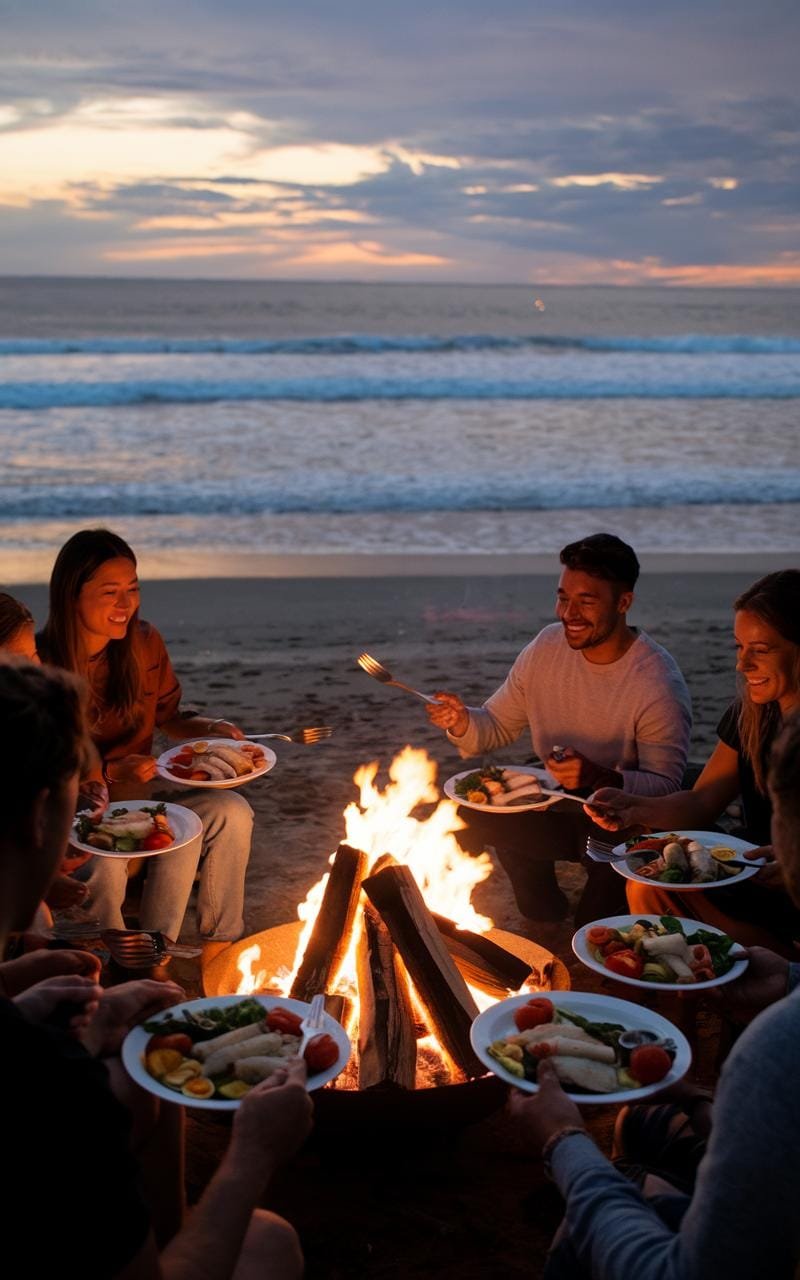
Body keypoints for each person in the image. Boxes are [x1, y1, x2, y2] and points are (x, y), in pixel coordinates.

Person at [0, 657, 313, 1279]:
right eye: (74, 798)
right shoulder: (49, 1084)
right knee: (268, 1240)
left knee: (136, 1076)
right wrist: (250, 1157)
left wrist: (17, 999)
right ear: (40, 816)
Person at [507, 710, 800, 1280]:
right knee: (642, 1124)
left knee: (608, 1202)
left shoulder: (775, 1053)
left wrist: (564, 1142)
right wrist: (791, 981)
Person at [426, 534, 691, 923]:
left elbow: (667, 787)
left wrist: (600, 776)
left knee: (591, 928)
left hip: (621, 825)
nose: (569, 613)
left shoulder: (656, 682)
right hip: (550, 799)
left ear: (623, 603)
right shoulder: (547, 647)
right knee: (471, 814)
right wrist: (463, 719)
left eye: (586, 600)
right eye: (564, 598)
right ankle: (540, 900)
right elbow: (497, 725)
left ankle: (599, 898)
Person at [38, 529, 254, 967]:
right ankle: (120, 962)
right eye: (110, 592)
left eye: (133, 589)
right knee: (109, 861)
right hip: (78, 816)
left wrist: (211, 728)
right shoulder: (40, 662)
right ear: (71, 595)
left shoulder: (142, 642)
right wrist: (114, 771)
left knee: (229, 811)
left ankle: (212, 953)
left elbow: (171, 716)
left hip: (145, 799)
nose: (126, 604)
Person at [586, 569, 800, 956]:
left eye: (761, 650)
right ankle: (697, 989)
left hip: (790, 881)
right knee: (646, 885)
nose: (742, 664)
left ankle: (775, 973)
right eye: (739, 647)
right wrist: (634, 807)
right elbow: (702, 802)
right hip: (750, 867)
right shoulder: (750, 716)